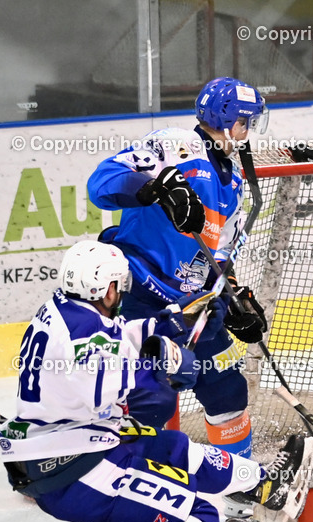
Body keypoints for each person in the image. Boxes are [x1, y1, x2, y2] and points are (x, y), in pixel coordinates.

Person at [0, 241, 311, 522]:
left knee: (171, 446)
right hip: (75, 473)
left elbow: (113, 344)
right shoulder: (86, 335)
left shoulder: (64, 309)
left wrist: (168, 324)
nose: (120, 293)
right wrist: (163, 371)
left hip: (69, 448)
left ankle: (265, 486)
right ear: (104, 287)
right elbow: (109, 395)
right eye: (117, 285)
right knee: (202, 516)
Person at [87, 77, 270, 460]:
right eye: (244, 121)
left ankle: (239, 494)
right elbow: (100, 183)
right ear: (225, 118)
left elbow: (218, 256)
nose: (247, 131)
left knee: (226, 390)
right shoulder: (174, 144)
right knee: (145, 400)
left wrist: (232, 295)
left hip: (192, 307)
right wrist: (156, 187)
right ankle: (107, 488)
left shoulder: (234, 184)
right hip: (138, 290)